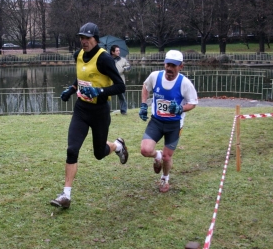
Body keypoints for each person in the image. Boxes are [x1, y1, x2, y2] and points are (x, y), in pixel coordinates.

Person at [50, 22, 129, 208]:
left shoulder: (104, 59)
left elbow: (120, 86)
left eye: (88, 38)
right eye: (81, 38)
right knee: (72, 149)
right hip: (82, 110)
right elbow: (81, 77)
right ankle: (65, 196)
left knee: (99, 153)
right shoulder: (78, 55)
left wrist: (99, 91)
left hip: (100, 112)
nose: (84, 41)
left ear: (96, 39)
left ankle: (118, 146)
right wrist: (71, 90)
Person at [139, 50, 198, 193]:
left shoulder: (184, 83)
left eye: (174, 65)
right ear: (164, 64)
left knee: (167, 156)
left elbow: (193, 102)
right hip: (156, 121)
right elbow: (145, 87)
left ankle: (165, 178)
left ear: (180, 67)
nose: (170, 68)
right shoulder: (155, 76)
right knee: (145, 150)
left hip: (174, 125)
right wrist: (143, 104)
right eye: (168, 65)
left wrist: (180, 109)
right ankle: (157, 156)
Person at [110, 45, 131, 115]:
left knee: (122, 97)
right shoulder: (108, 59)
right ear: (112, 52)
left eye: (119, 50)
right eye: (117, 51)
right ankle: (105, 111)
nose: (119, 52)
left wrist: (124, 69)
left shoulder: (123, 60)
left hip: (120, 81)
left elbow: (129, 67)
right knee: (106, 96)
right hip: (110, 81)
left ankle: (123, 111)